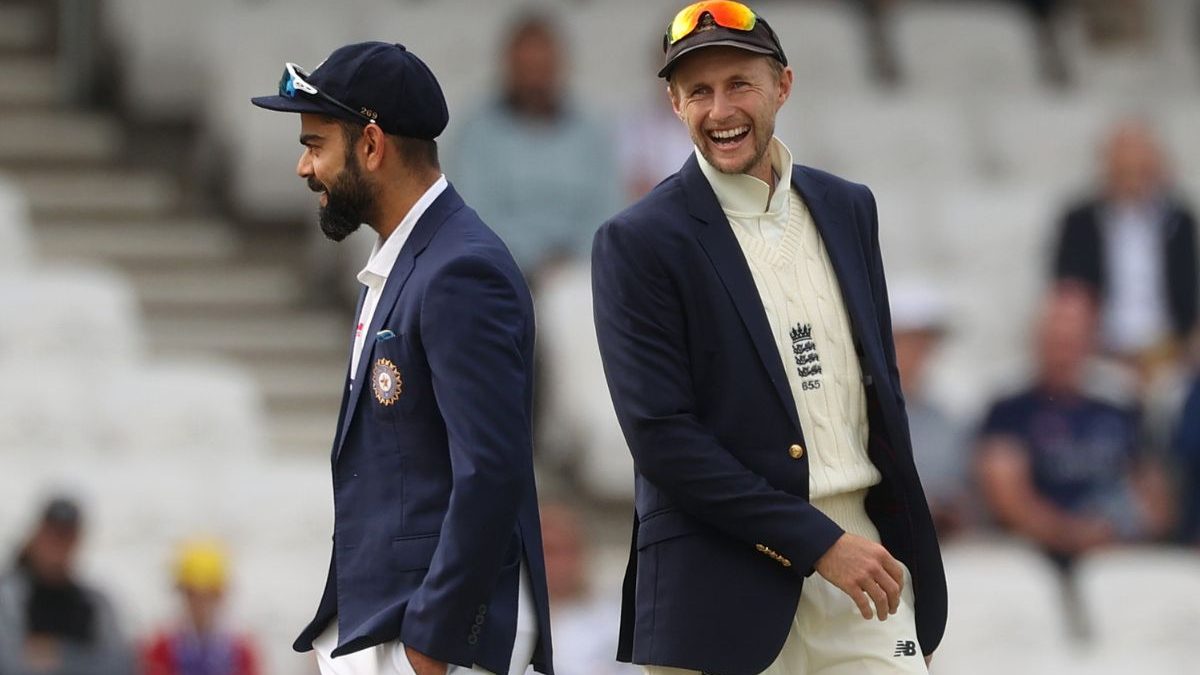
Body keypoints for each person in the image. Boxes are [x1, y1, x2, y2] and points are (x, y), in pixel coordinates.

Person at [591, 3, 947, 674]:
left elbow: (882, 398)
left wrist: (907, 569)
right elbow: (663, 437)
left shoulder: (848, 207)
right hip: (716, 590)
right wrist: (818, 542)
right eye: (698, 91)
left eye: (739, 84)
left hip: (866, 576)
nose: (720, 109)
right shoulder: (636, 241)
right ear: (673, 103)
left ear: (783, 85)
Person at [251, 41, 553, 675]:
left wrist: (432, 641)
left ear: (370, 144)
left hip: (436, 639)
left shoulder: (460, 269)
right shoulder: (414, 261)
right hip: (390, 625)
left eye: (315, 145)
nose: (305, 168)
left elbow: (491, 472)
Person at [975, 286, 1172, 568]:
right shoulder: (1009, 410)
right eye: (1055, 339)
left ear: (1090, 343)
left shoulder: (1120, 408)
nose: (1063, 351)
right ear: (1037, 340)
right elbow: (1008, 498)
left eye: (1072, 340)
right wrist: (1072, 534)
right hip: (1040, 555)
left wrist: (1121, 532)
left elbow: (1155, 493)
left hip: (1120, 547)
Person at [447, 12, 622, 281]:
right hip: (498, 269)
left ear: (559, 67)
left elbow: (607, 209)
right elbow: (472, 212)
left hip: (577, 273)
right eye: (526, 70)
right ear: (508, 67)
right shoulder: (476, 132)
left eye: (542, 69)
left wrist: (569, 260)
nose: (535, 82)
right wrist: (531, 260)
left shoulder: (592, 133)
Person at [1051, 120, 1198, 373]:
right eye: (1124, 167)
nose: (1132, 176)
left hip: (1170, 354)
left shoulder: (1179, 221)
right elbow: (1069, 290)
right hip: (1101, 355)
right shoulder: (1080, 222)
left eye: (1140, 167)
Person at [0, 496, 134, 675]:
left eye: (67, 536)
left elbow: (120, 663)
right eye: (54, 535)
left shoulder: (94, 603)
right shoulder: (9, 597)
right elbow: (11, 663)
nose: (59, 547)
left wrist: (58, 653)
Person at [889, 283, 971, 540]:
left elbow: (959, 497)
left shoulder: (944, 420)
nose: (921, 353)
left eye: (926, 342)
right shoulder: (855, 414)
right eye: (910, 341)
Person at [539, 503, 638, 675]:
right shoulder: (513, 622)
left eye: (557, 550)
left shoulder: (616, 620)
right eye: (544, 552)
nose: (550, 563)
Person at [141, 540, 260, 675]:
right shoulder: (162, 647)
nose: (200, 604)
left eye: (208, 595)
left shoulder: (241, 651)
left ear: (220, 596)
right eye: (192, 594)